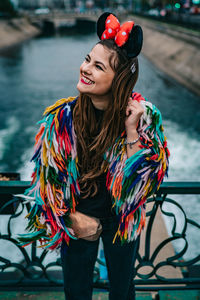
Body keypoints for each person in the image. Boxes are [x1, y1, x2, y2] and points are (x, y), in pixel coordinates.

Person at [18, 12, 169, 300]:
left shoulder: (143, 118)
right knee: (76, 292)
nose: (85, 68)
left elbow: (145, 188)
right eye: (87, 59)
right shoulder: (61, 121)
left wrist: (132, 134)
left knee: (123, 292)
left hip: (122, 221)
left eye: (98, 66)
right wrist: (73, 217)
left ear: (118, 81)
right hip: (79, 219)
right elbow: (44, 187)